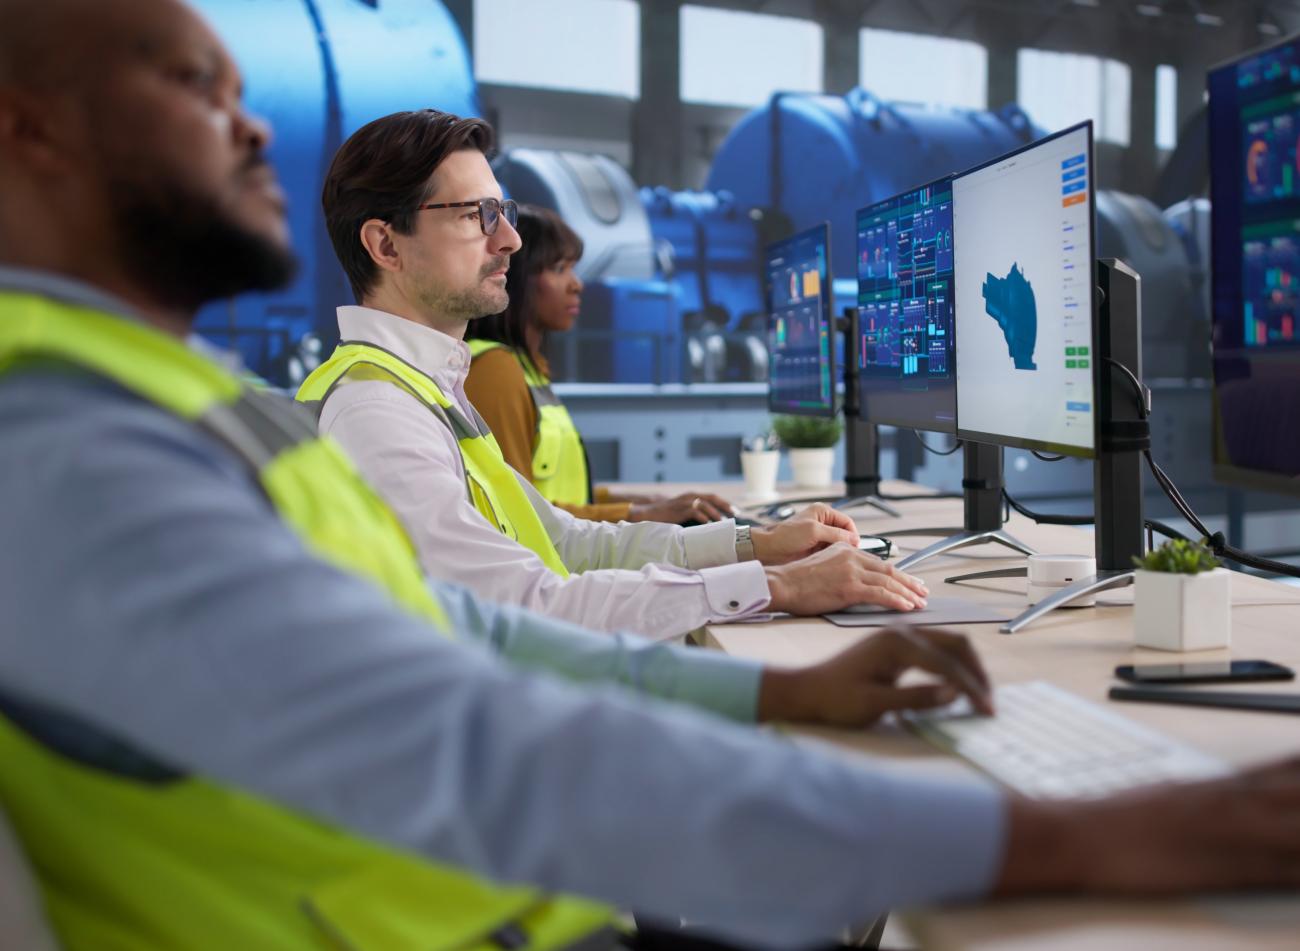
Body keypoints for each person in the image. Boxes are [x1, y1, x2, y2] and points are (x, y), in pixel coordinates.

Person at [4, 3, 1300, 950]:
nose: (248, 126)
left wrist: (772, 688)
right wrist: (1063, 833)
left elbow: (459, 614)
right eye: (193, 81)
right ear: (31, 131)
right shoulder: (65, 453)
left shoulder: (168, 405)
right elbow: (485, 735)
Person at [300, 109, 930, 640]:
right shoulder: (378, 412)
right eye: (476, 216)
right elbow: (523, 605)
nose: (511, 241)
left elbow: (572, 545)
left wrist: (755, 547)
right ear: (386, 245)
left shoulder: (429, 388)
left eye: (504, 211)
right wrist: (777, 587)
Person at [464, 204, 730, 525]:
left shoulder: (528, 368)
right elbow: (517, 513)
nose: (577, 284)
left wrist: (649, 502)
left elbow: (566, 496)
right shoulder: (495, 371)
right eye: (559, 268)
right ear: (515, 278)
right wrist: (639, 514)